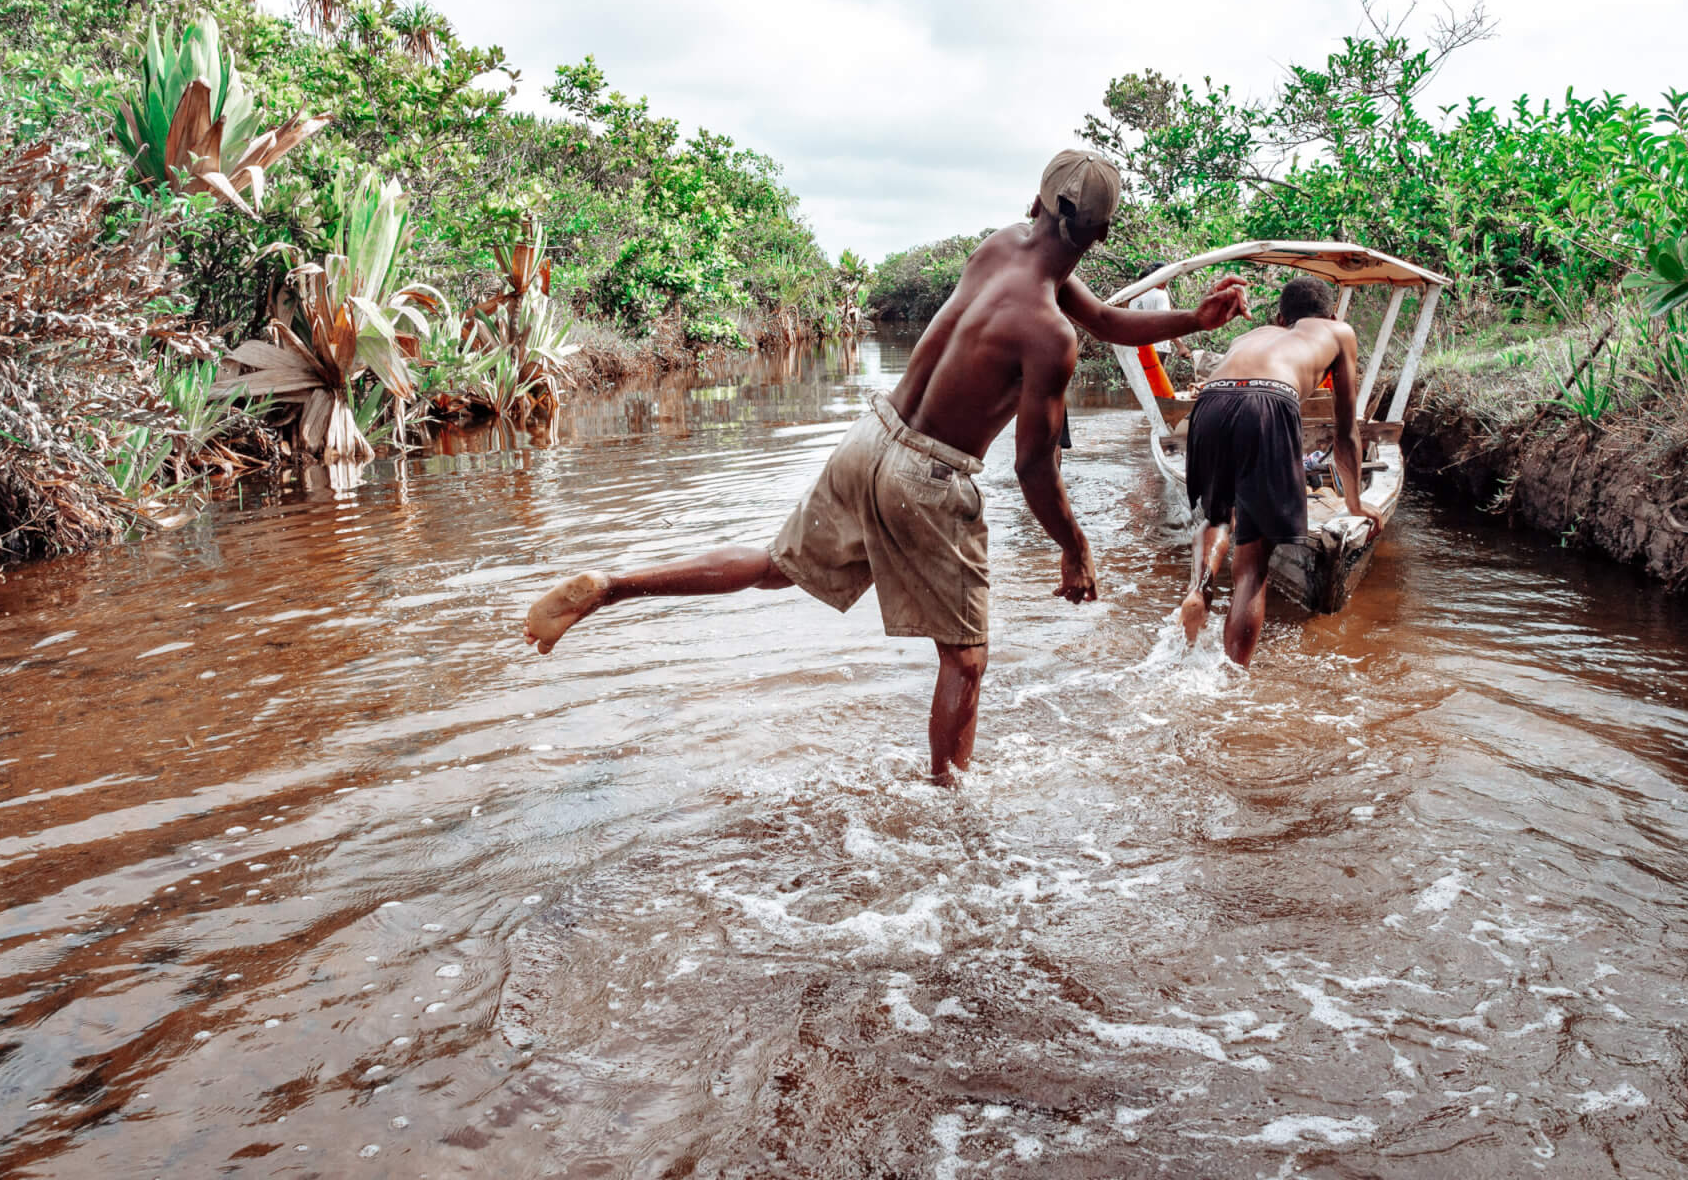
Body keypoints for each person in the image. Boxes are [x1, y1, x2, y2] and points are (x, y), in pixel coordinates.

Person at [521, 150, 1251, 785]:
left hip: (871, 437)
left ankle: (612, 588)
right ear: (1103, 235)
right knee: (965, 660)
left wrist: (1192, 319)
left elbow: (1107, 321)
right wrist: (1076, 548)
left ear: (1034, 205)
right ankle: (949, 817)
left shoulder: (999, 248)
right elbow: (1033, 467)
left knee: (775, 565)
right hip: (928, 478)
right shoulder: (1049, 338)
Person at [1178, 274, 1369, 668]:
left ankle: (1199, 588)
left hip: (1211, 403)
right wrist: (1355, 503)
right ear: (1332, 315)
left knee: (1217, 515)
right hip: (1269, 400)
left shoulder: (1250, 336)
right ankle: (1233, 678)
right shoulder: (1339, 332)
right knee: (1253, 563)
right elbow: (1346, 431)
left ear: (1281, 319)